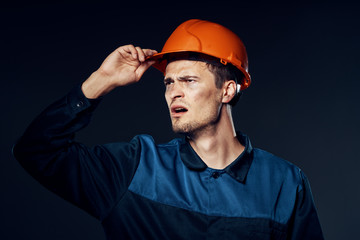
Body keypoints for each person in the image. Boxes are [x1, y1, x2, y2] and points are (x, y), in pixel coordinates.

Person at [13, 19, 324, 239]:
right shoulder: (133, 168)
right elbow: (36, 151)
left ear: (227, 91)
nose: (174, 92)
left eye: (188, 80)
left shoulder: (285, 182)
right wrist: (101, 81)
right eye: (168, 82)